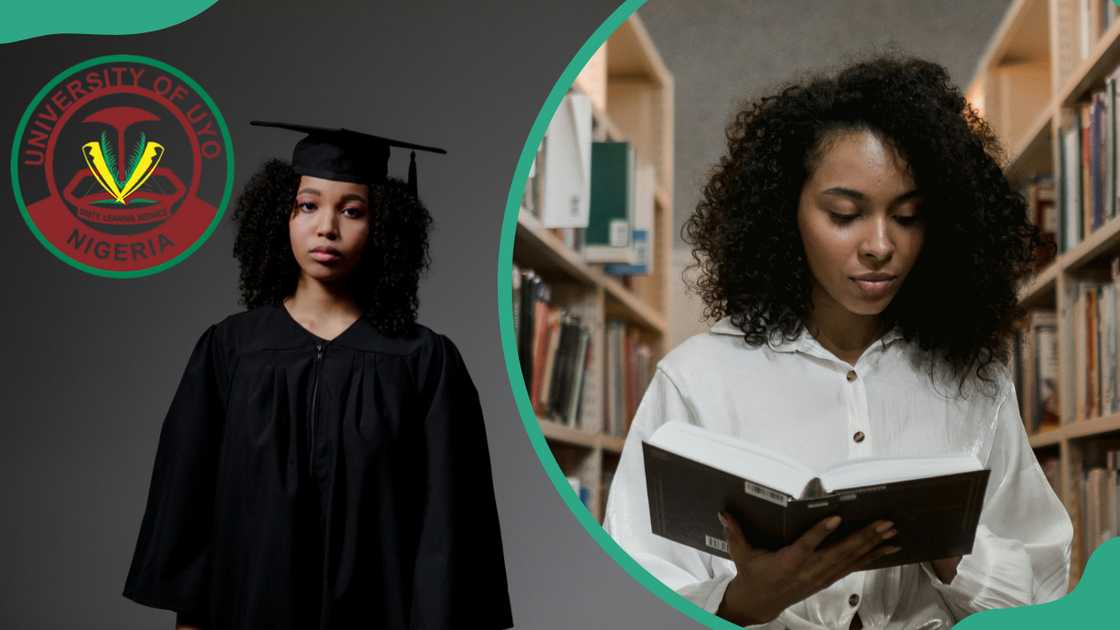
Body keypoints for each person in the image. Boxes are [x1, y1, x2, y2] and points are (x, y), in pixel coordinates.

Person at [602, 55, 1073, 629]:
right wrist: (746, 600)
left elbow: (1044, 592)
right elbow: (631, 591)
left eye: (908, 216)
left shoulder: (974, 381)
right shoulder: (696, 379)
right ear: (786, 213)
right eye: (844, 214)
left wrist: (951, 553)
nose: (880, 245)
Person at [122, 121, 514, 630]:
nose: (326, 227)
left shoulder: (423, 361)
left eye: (352, 211)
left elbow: (450, 527)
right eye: (308, 206)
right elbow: (189, 509)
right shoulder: (231, 350)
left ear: (383, 226)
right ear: (279, 215)